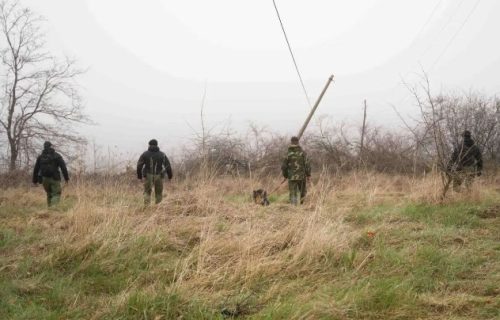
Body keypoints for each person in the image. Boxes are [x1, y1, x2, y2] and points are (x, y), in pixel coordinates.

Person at [32, 141, 69, 207]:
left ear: (44, 147)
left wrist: (35, 181)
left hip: (44, 179)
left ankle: (49, 210)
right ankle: (53, 210)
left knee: (49, 194)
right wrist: (66, 178)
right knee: (56, 194)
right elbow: (63, 168)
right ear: (51, 146)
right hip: (55, 178)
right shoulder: (57, 156)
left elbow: (36, 169)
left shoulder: (40, 157)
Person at [137, 139, 173, 204]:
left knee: (147, 192)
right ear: (157, 145)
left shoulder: (145, 154)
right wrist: (170, 176)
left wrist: (139, 177)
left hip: (148, 175)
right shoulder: (162, 154)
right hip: (158, 175)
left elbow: (139, 166)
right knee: (159, 193)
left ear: (149, 145)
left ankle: (147, 208)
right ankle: (158, 209)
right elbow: (168, 166)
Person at [281, 136, 311, 205]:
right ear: (298, 142)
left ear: (291, 142)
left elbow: (283, 167)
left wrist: (285, 175)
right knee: (303, 191)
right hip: (302, 176)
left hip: (291, 177)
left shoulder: (288, 154)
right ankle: (303, 205)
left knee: (293, 192)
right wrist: (308, 174)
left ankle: (293, 207)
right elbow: (307, 164)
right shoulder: (303, 153)